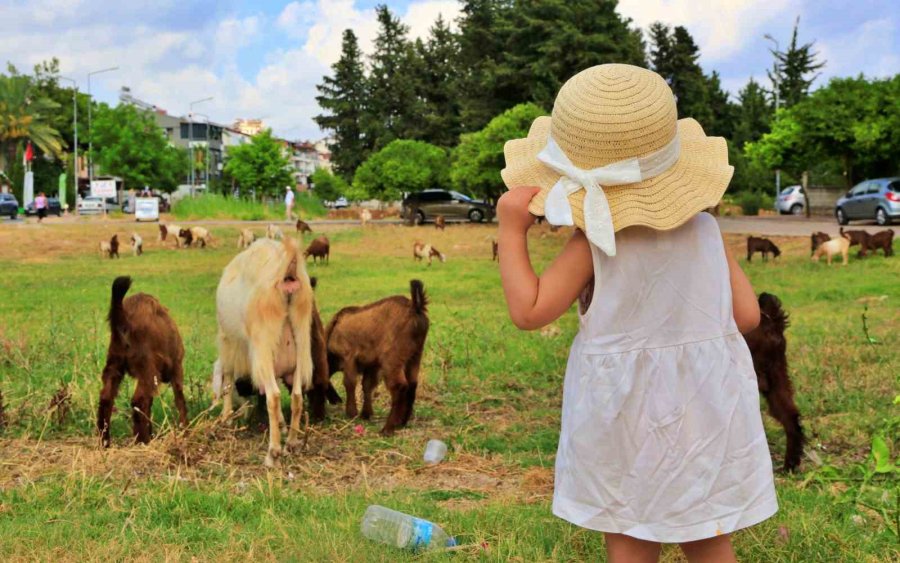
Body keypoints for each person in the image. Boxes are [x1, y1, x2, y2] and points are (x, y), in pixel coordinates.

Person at [497, 64, 776, 563]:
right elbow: (749, 317)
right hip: (705, 409)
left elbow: (530, 311)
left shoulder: (595, 242)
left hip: (621, 413)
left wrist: (511, 230)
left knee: (628, 528)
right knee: (707, 529)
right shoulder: (707, 231)